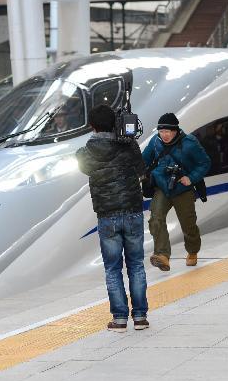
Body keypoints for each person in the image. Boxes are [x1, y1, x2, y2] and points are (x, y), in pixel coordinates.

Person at [76, 105, 149, 332]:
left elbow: (84, 166)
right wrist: (126, 141)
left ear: (92, 126)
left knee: (112, 268)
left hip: (107, 216)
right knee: (136, 265)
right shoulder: (129, 146)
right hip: (133, 211)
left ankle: (119, 319)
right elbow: (141, 171)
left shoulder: (85, 153)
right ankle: (140, 317)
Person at [143, 113, 211, 271]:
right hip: (162, 187)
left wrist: (191, 177)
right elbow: (143, 161)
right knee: (155, 218)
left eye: (168, 131)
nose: (164, 135)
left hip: (183, 188)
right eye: (161, 131)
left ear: (176, 130)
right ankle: (162, 255)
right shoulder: (155, 141)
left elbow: (205, 162)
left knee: (188, 225)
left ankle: (193, 250)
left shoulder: (189, 142)